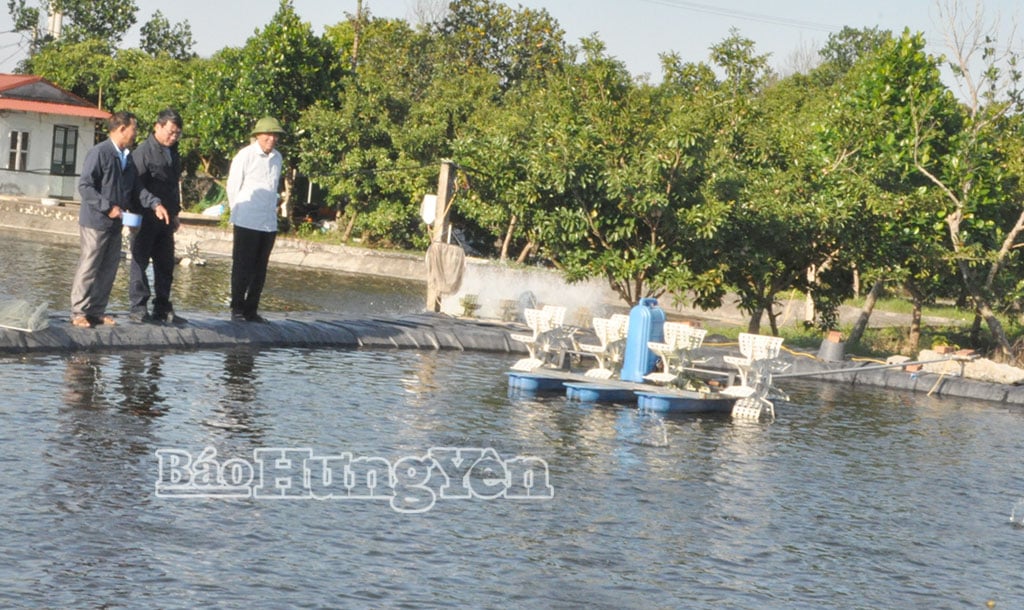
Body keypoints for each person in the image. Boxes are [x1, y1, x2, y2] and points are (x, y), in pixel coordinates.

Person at [70, 111, 148, 328]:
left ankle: (96, 311)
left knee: (109, 268)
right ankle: (78, 312)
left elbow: (133, 189)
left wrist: (143, 209)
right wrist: (107, 207)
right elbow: (85, 186)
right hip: (95, 221)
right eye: (134, 129)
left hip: (116, 223)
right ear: (122, 129)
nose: (135, 134)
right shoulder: (100, 152)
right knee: (89, 265)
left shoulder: (127, 157)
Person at [226, 116, 285, 322]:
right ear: (258, 135)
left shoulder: (277, 158)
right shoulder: (245, 155)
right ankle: (237, 308)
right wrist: (238, 212)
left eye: (274, 135)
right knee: (242, 266)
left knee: (260, 268)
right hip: (246, 219)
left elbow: (273, 186)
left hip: (268, 222)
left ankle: (252, 309)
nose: (271, 139)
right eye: (268, 134)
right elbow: (233, 186)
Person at [129, 108, 184, 324]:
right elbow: (135, 185)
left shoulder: (174, 152)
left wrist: (176, 213)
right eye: (170, 132)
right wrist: (150, 206)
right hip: (145, 215)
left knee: (165, 263)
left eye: (177, 134)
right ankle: (138, 306)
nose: (173, 137)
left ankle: (162, 306)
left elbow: (172, 186)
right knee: (139, 261)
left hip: (167, 218)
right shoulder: (143, 152)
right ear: (157, 127)